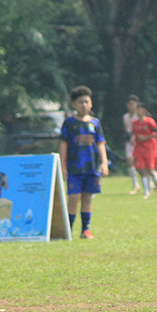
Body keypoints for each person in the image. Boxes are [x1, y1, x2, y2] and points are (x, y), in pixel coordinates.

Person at [58, 85, 109, 239]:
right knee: (73, 198)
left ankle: (85, 230)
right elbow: (63, 144)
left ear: (91, 104)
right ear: (74, 104)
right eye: (81, 102)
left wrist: (104, 163)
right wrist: (62, 166)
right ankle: (68, 230)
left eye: (87, 102)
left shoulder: (95, 123)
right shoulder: (69, 123)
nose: (84, 105)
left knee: (87, 197)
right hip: (75, 167)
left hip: (91, 167)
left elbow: (100, 143)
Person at [132, 104, 157, 198]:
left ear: (144, 111)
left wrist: (146, 137)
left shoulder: (150, 122)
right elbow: (135, 134)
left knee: (152, 169)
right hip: (139, 148)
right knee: (140, 168)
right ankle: (146, 192)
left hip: (150, 148)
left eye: (139, 110)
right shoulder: (135, 123)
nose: (137, 112)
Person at [123, 95, 141, 194]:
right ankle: (135, 184)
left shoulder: (139, 116)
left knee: (142, 163)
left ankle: (150, 182)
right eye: (129, 104)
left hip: (138, 141)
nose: (130, 106)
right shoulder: (125, 116)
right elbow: (127, 128)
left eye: (132, 104)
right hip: (129, 141)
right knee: (130, 161)